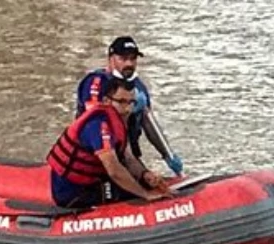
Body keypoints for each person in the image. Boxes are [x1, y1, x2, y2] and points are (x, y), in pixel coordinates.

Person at [47, 77, 173, 208]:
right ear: (107, 101)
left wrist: (144, 175)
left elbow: (129, 158)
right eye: (122, 102)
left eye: (131, 102)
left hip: (92, 181)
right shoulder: (99, 125)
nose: (127, 109)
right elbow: (113, 169)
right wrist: (145, 194)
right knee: (130, 192)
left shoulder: (119, 122)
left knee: (138, 183)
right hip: (73, 191)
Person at [75, 36, 184, 177]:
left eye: (133, 59)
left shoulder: (138, 87)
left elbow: (149, 124)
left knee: (146, 178)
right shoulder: (95, 83)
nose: (129, 64)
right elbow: (94, 118)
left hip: (129, 157)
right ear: (111, 58)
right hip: (100, 156)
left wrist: (168, 156)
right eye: (123, 58)